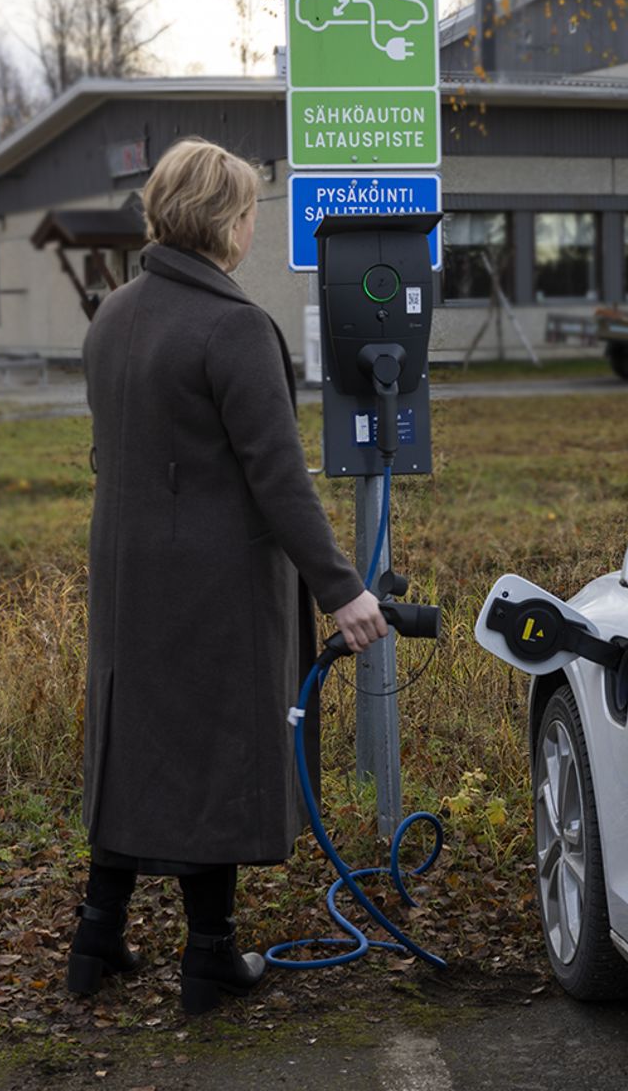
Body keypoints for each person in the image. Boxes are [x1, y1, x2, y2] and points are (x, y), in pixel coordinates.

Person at [66, 137, 387, 1015]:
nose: (251, 226)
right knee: (209, 749)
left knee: (135, 742)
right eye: (248, 212)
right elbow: (277, 477)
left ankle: (96, 939)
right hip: (212, 585)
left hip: (127, 571)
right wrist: (343, 590)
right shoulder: (233, 326)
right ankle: (208, 958)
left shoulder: (113, 314)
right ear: (229, 222)